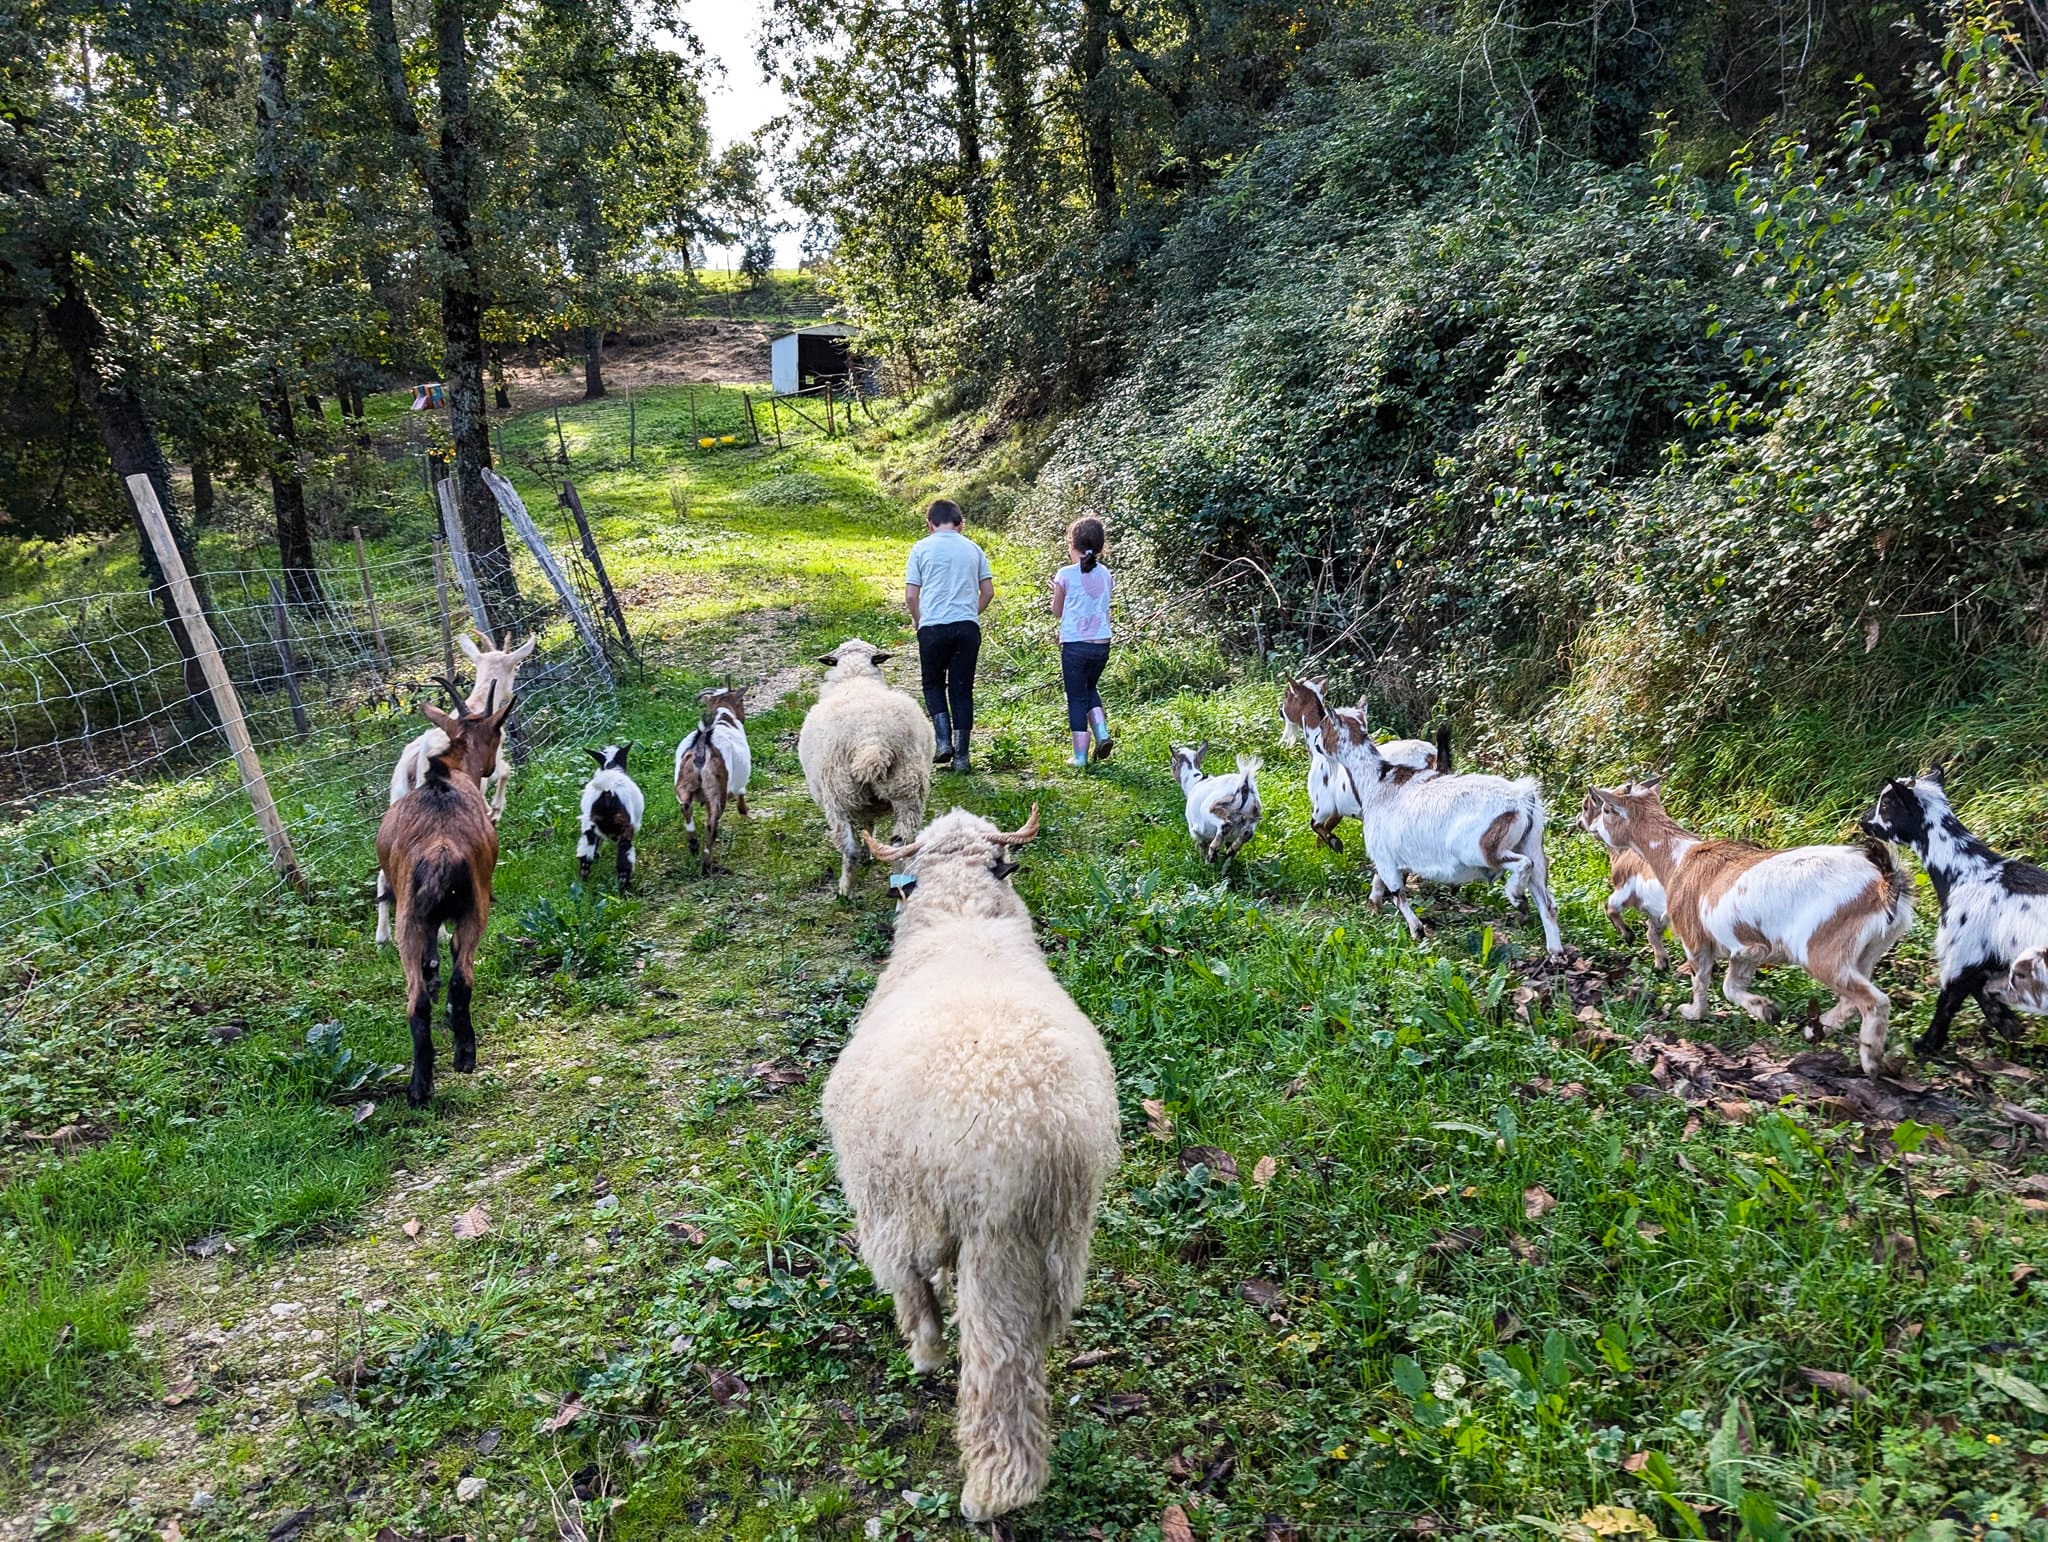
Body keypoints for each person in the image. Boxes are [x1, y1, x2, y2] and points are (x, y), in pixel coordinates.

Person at [905, 498, 993, 773]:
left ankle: (943, 741)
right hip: (966, 627)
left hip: (932, 626)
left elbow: (911, 595)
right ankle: (962, 757)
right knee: (962, 689)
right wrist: (970, 612)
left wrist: (920, 620)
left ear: (929, 524)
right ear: (960, 524)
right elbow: (988, 592)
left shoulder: (921, 548)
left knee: (933, 684)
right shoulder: (974, 548)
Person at [1051, 516, 1114, 769]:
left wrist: (1056, 591)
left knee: (1076, 697)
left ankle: (1080, 756)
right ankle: (1102, 733)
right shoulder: (1106, 573)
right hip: (1102, 644)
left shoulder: (1065, 574)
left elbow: (1057, 611)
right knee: (1089, 688)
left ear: (1071, 543)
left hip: (1076, 646)